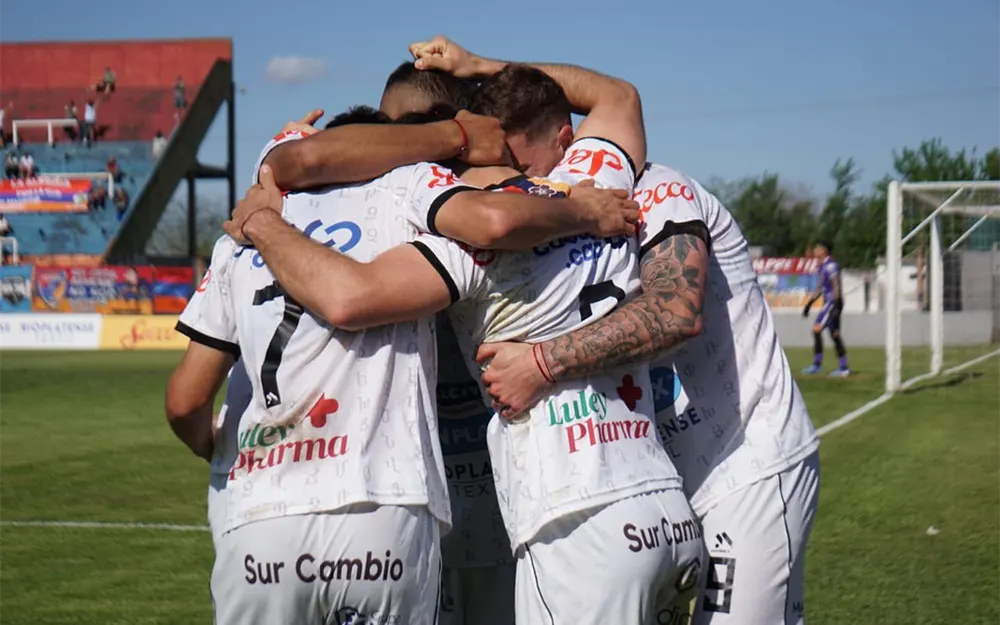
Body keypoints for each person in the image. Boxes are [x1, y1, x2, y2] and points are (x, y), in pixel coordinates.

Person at [231, 55, 702, 624]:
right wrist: (479, 64)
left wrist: (263, 218)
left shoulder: (462, 234)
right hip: (661, 502)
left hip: (574, 518)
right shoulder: (600, 179)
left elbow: (348, 292)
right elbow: (621, 96)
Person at [165, 107, 636, 625]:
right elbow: (493, 220)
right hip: (384, 504)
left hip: (259, 520)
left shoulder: (245, 232)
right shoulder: (411, 184)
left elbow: (185, 400)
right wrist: (583, 209)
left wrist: (214, 444)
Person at [803, 240, 849, 377]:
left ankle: (817, 365)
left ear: (823, 250)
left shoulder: (831, 265)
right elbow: (819, 288)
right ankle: (844, 367)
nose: (815, 252)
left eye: (817, 249)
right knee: (834, 334)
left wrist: (836, 304)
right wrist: (809, 304)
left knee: (816, 330)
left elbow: (836, 285)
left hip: (832, 303)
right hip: (829, 303)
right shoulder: (822, 266)